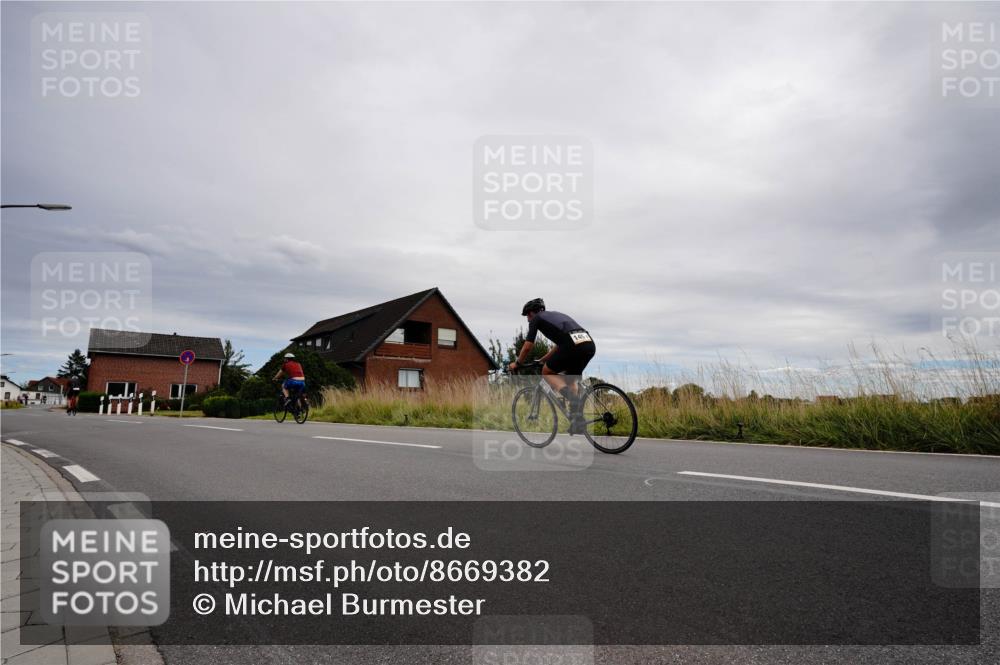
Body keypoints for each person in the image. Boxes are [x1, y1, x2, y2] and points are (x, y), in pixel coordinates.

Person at [508, 298, 596, 434]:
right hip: (588, 344)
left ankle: (574, 400)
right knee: (570, 379)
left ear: (531, 313)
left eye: (527, 316)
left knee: (546, 372)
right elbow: (560, 345)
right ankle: (577, 421)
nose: (527, 320)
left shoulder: (536, 319)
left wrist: (517, 363)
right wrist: (543, 359)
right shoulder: (556, 315)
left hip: (572, 346)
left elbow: (527, 346)